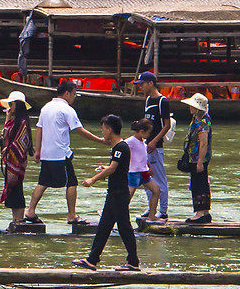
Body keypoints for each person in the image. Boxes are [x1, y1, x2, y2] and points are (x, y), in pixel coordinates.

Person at [72, 116, 141, 271]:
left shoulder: (120, 147)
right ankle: (92, 260)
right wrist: (105, 172)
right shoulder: (119, 148)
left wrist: (93, 179)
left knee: (124, 228)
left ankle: (133, 262)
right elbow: (114, 168)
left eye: (103, 129)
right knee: (104, 227)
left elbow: (113, 168)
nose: (102, 132)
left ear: (110, 129)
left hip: (118, 193)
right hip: (114, 192)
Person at [26, 79, 93, 225]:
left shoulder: (46, 107)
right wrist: (99, 140)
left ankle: (30, 210)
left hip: (47, 153)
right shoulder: (67, 109)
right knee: (71, 183)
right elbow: (79, 130)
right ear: (67, 93)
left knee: (43, 182)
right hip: (60, 154)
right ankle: (71, 215)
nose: (74, 97)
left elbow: (39, 129)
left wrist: (38, 150)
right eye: (74, 94)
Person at [134, 72, 171, 222]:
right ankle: (151, 208)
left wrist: (155, 141)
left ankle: (163, 211)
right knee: (146, 177)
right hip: (145, 145)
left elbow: (166, 125)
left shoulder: (162, 101)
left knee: (159, 178)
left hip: (156, 146)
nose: (141, 87)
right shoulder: (148, 100)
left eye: (142, 84)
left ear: (150, 83)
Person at [0, 91, 32, 225]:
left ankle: (19, 219)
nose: (10, 106)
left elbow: (22, 143)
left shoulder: (22, 123)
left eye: (12, 104)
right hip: (10, 161)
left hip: (17, 162)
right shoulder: (12, 121)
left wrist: (9, 150)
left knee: (16, 188)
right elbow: (3, 135)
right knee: (12, 189)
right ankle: (15, 219)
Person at [180, 94, 213, 224]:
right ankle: (204, 212)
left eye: (192, 106)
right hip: (195, 157)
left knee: (198, 184)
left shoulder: (203, 122)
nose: (190, 107)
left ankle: (200, 213)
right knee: (202, 183)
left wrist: (200, 162)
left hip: (199, 158)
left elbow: (203, 143)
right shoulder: (197, 119)